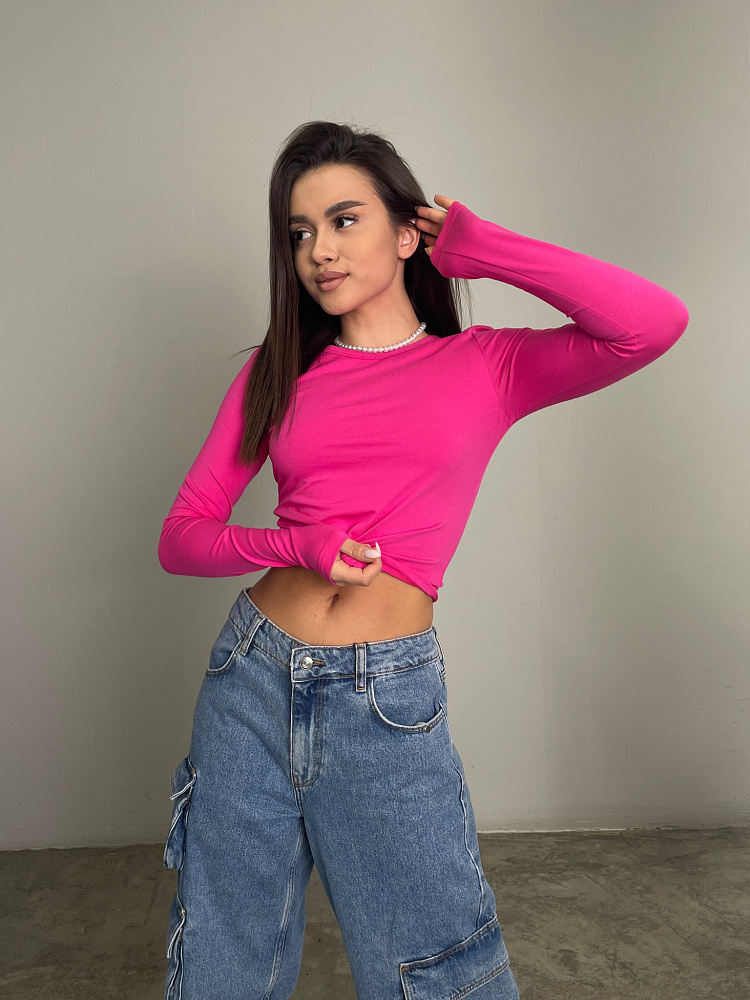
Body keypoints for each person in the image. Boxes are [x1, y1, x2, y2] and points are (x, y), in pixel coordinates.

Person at [158, 120, 689, 1000]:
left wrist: (487, 250)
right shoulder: (276, 374)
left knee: (436, 972)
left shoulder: (487, 366)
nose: (320, 251)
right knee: (221, 967)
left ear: (409, 233)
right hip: (249, 681)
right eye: (300, 233)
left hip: (383, 700)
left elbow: (651, 323)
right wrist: (293, 545)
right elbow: (183, 535)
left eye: (344, 220)